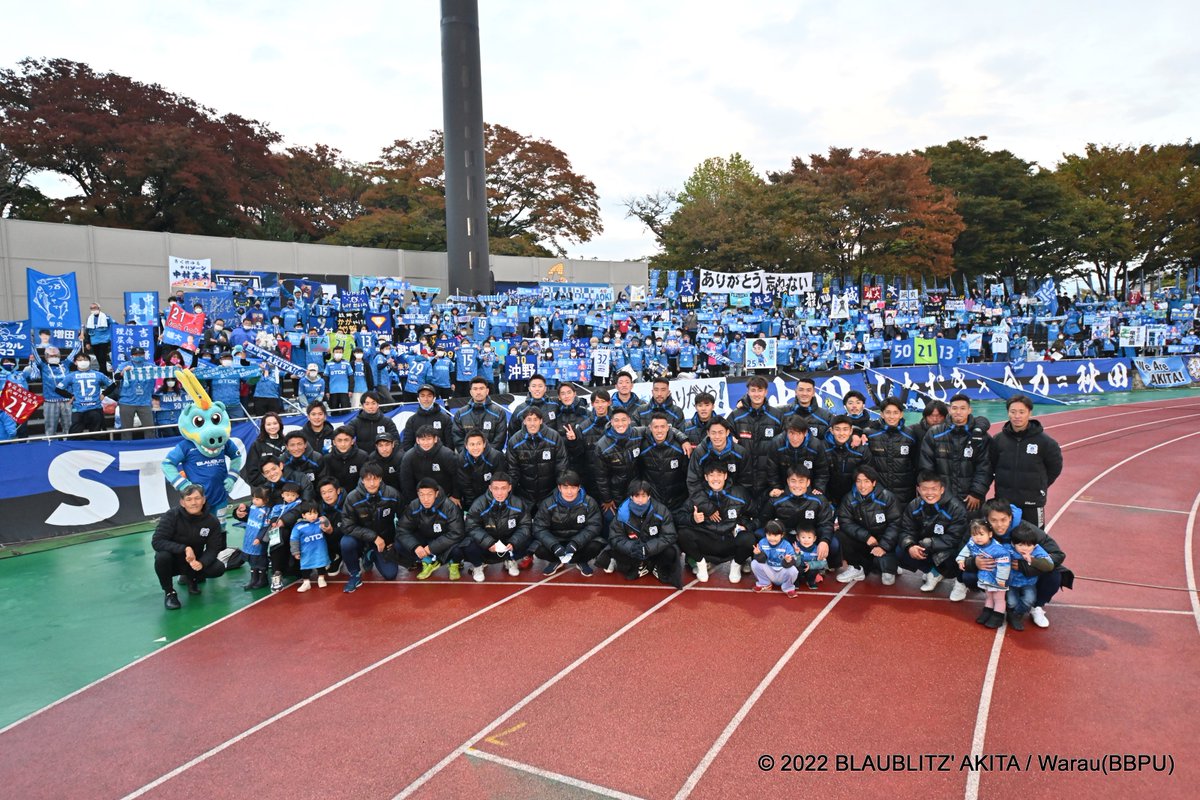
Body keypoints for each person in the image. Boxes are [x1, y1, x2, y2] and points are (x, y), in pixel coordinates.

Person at [969, 498, 1071, 629]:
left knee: (1054, 576)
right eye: (994, 520)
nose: (999, 525)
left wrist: (1026, 566)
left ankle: (1036, 606)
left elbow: (1058, 554)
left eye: (1003, 520)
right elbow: (963, 550)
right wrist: (974, 562)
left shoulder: (1027, 530)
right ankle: (995, 603)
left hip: (1025, 574)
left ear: (1010, 517)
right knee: (968, 575)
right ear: (987, 519)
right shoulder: (980, 529)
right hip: (1000, 574)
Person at [990, 394, 1063, 528]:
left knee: (1034, 538)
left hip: (1032, 503)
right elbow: (991, 466)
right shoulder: (998, 440)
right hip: (1005, 502)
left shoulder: (1045, 442)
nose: (1017, 416)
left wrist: (1040, 485)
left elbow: (1055, 468)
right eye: (1013, 412)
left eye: (1021, 412)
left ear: (1030, 413)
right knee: (1004, 537)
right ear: (1008, 413)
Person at [677, 462, 756, 583]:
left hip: (730, 541)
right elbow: (679, 516)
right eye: (711, 475)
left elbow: (757, 515)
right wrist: (693, 519)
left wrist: (745, 525)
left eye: (719, 475)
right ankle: (701, 564)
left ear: (725, 476)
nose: (715, 479)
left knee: (749, 538)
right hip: (707, 542)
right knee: (682, 533)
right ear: (706, 477)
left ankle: (736, 565)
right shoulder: (698, 496)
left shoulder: (739, 493)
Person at [152, 485, 226, 610]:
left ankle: (192, 578)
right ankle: (169, 592)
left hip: (194, 561)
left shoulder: (212, 521)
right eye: (189, 499)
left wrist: (201, 563)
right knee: (162, 557)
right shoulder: (172, 516)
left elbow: (213, 548)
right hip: (173, 561)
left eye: (197, 498)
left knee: (218, 568)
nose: (193, 503)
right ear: (182, 502)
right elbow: (157, 541)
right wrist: (184, 548)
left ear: (204, 500)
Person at [897, 472, 970, 597]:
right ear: (918, 489)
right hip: (925, 547)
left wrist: (931, 543)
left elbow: (956, 537)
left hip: (947, 551)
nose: (929, 493)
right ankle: (933, 572)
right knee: (900, 550)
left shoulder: (956, 508)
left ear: (942, 489)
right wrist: (910, 546)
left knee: (960, 554)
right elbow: (906, 530)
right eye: (925, 489)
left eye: (934, 489)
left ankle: (959, 580)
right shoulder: (914, 505)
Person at [918, 394, 992, 513]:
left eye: (962, 408)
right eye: (955, 408)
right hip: (941, 498)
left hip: (970, 500)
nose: (958, 412)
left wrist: (977, 492)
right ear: (949, 410)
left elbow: (985, 467)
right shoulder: (934, 433)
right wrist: (935, 492)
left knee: (972, 525)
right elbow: (927, 467)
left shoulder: (980, 437)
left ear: (969, 410)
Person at [338, 463, 403, 593]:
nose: (372, 483)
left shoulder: (392, 494)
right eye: (368, 479)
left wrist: (395, 540)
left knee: (390, 574)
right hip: (361, 540)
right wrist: (374, 537)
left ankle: (370, 555)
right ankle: (355, 574)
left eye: (375, 479)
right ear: (362, 480)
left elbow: (404, 520)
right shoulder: (352, 497)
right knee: (346, 542)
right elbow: (347, 526)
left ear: (381, 479)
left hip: (384, 540)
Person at [605, 480, 682, 589]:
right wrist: (632, 547)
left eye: (644, 496)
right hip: (635, 550)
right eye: (637, 496)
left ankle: (656, 567)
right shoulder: (622, 513)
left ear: (649, 496)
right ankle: (641, 565)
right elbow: (615, 537)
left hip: (654, 550)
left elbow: (670, 535)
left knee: (671, 551)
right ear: (631, 497)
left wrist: (648, 548)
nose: (640, 500)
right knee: (614, 549)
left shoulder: (661, 510)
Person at [835, 465, 902, 585]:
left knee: (887, 581)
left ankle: (889, 565)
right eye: (859, 481)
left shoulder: (888, 497)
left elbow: (895, 524)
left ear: (874, 482)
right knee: (840, 534)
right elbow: (845, 522)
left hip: (884, 544)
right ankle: (857, 567)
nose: (862, 485)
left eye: (866, 481)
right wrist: (866, 537)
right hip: (864, 541)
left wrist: (883, 546)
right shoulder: (849, 499)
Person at [463, 472, 533, 581]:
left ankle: (510, 560)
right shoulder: (479, 504)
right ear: (490, 488)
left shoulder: (518, 503)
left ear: (509, 488)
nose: (499, 493)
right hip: (487, 545)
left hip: (508, 543)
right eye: (496, 488)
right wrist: (488, 542)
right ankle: (478, 565)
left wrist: (514, 542)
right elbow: (471, 526)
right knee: (467, 544)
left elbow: (525, 525)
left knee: (530, 538)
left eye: (503, 488)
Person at [532, 470, 604, 576]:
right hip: (557, 541)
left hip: (579, 544)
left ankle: (581, 561)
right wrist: (554, 545)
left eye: (573, 487)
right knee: (537, 548)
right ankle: (556, 561)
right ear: (559, 488)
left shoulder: (589, 502)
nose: (569, 492)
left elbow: (595, 525)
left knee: (596, 545)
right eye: (565, 488)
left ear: (579, 487)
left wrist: (576, 543)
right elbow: (539, 528)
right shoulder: (548, 503)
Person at [395, 478, 467, 579]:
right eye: (422, 495)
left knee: (460, 548)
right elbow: (402, 529)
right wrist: (415, 546)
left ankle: (453, 563)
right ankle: (427, 561)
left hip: (445, 543)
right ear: (418, 494)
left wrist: (431, 548)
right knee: (399, 545)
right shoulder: (414, 505)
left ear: (436, 493)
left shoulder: (449, 506)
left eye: (429, 494)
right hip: (425, 539)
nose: (425, 499)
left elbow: (457, 532)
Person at [956, 518, 1012, 629]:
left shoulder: (999, 550)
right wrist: (961, 559)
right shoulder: (972, 543)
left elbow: (1004, 566)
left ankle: (998, 616)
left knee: (998, 598)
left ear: (990, 534)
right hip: (985, 576)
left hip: (997, 578)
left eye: (981, 534)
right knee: (989, 596)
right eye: (974, 534)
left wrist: (1001, 579)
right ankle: (987, 611)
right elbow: (966, 550)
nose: (978, 537)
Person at [864, 396, 919, 505]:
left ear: (901, 414)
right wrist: (857, 432)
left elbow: (915, 462)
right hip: (878, 492)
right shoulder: (870, 433)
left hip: (904, 493)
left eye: (895, 412)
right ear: (882, 414)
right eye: (888, 412)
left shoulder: (910, 435)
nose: (892, 416)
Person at [1004, 525, 1056, 630]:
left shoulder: (1037, 551)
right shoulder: (1008, 549)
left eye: (1029, 545)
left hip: (1028, 582)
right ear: (1013, 544)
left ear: (1035, 545)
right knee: (1011, 602)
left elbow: (1050, 565)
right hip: (1011, 583)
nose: (1025, 548)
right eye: (1020, 545)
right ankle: (1011, 611)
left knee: (1029, 600)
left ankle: (1015, 614)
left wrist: (1032, 560)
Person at [54, 352, 116, 435]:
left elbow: (113, 385)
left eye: (85, 360)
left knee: (96, 435)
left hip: (95, 408)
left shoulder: (98, 374)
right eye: (80, 360)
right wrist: (70, 396)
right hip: (79, 409)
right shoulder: (71, 376)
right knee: (75, 435)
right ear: (75, 362)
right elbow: (58, 389)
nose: (83, 362)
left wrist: (103, 394)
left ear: (89, 362)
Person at [399, 424, 459, 504]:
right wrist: (414, 501)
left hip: (446, 497)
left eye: (429, 439)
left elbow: (456, 476)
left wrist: (456, 496)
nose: (426, 443)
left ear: (435, 439)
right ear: (417, 440)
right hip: (420, 499)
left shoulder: (447, 454)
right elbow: (406, 482)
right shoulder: (409, 457)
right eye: (423, 439)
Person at [823, 415, 872, 506]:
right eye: (837, 429)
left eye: (845, 429)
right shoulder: (823, 448)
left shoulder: (862, 450)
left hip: (853, 498)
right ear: (831, 430)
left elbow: (866, 475)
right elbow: (820, 474)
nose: (841, 433)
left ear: (851, 431)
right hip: (828, 498)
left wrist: (852, 498)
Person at [451, 377, 508, 451]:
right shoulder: (460, 414)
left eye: (481, 388)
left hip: (491, 457)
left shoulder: (499, 412)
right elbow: (458, 439)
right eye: (475, 389)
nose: (478, 392)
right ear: (471, 392)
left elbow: (500, 439)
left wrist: (487, 454)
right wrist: (470, 454)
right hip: (467, 456)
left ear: (487, 391)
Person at [457, 429, 508, 511]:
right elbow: (465, 485)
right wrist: (474, 505)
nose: (475, 448)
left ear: (484, 444)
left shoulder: (496, 457)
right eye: (472, 444)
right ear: (466, 446)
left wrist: (488, 502)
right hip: (472, 499)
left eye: (479, 444)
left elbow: (499, 483)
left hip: (492, 499)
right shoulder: (461, 459)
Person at [290, 502, 332, 592]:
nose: (313, 516)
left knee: (321, 564)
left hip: (320, 550)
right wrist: (295, 551)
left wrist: (325, 520)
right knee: (305, 566)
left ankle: (321, 578)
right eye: (309, 514)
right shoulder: (298, 526)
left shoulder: (320, 521)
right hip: (306, 551)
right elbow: (294, 539)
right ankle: (306, 582)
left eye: (315, 513)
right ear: (303, 515)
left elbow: (328, 528)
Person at [750, 520, 800, 597]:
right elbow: (762, 560)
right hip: (769, 570)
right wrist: (758, 554)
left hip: (782, 571)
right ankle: (765, 584)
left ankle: (788, 588)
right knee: (754, 563)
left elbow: (794, 562)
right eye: (769, 535)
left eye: (775, 535)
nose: (772, 538)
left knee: (793, 570)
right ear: (765, 534)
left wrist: (788, 561)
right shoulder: (762, 542)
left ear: (782, 535)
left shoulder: (786, 545)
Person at [401, 384, 454, 452]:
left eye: (429, 396)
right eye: (422, 396)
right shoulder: (412, 420)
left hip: (441, 456)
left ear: (434, 398)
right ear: (418, 398)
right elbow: (407, 445)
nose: (426, 399)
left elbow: (450, 444)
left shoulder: (445, 419)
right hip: (418, 457)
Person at [238, 486, 273, 590]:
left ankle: (263, 579)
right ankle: (253, 579)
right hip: (249, 538)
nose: (254, 501)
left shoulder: (267, 512)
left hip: (258, 541)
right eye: (253, 498)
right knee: (252, 560)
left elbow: (265, 527)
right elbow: (249, 511)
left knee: (260, 560)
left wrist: (259, 538)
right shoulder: (253, 507)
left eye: (257, 499)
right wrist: (244, 508)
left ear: (265, 500)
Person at [321, 426, 367, 494]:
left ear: (352, 441)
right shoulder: (327, 458)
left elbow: (365, 480)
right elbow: (326, 481)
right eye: (339, 440)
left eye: (346, 440)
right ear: (334, 442)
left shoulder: (362, 456)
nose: (343, 444)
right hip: (336, 495)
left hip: (358, 495)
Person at [794, 523, 827, 589]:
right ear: (798, 538)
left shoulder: (817, 549)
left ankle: (810, 581)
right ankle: (795, 581)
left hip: (810, 568)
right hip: (800, 567)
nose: (806, 540)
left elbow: (823, 563)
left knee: (814, 570)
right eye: (803, 537)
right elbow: (795, 563)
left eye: (809, 537)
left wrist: (811, 565)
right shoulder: (795, 547)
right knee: (796, 569)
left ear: (814, 538)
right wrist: (797, 554)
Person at [83, 302, 113, 373]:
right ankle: (103, 371)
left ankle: (103, 372)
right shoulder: (89, 318)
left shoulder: (106, 317)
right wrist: (87, 342)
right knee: (98, 357)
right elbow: (88, 330)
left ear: (99, 308)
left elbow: (114, 325)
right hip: (94, 341)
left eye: (95, 308)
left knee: (102, 357)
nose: (93, 309)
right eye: (91, 308)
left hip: (104, 340)